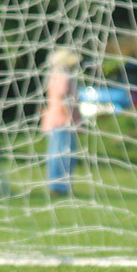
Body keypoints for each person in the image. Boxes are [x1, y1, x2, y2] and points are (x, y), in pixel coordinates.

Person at [40, 48, 81, 196]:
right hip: (62, 121)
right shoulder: (63, 75)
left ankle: (58, 185)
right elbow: (62, 96)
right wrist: (69, 117)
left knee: (57, 153)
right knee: (62, 154)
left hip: (55, 119)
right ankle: (59, 187)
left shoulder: (54, 74)